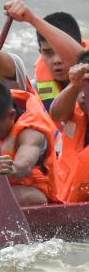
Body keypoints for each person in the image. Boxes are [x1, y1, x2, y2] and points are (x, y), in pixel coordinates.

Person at [0, 79, 58, 207]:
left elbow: (25, 163)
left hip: (33, 191)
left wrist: (13, 167)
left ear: (12, 115)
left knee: (14, 196)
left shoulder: (31, 131)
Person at [3, 0, 86, 110]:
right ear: (40, 52)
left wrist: (32, 19)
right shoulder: (34, 91)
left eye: (61, 51)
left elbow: (81, 58)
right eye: (48, 52)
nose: (57, 60)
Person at [49, 52, 89, 202]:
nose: (84, 94)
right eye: (82, 87)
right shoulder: (74, 112)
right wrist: (74, 84)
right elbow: (56, 115)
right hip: (65, 205)